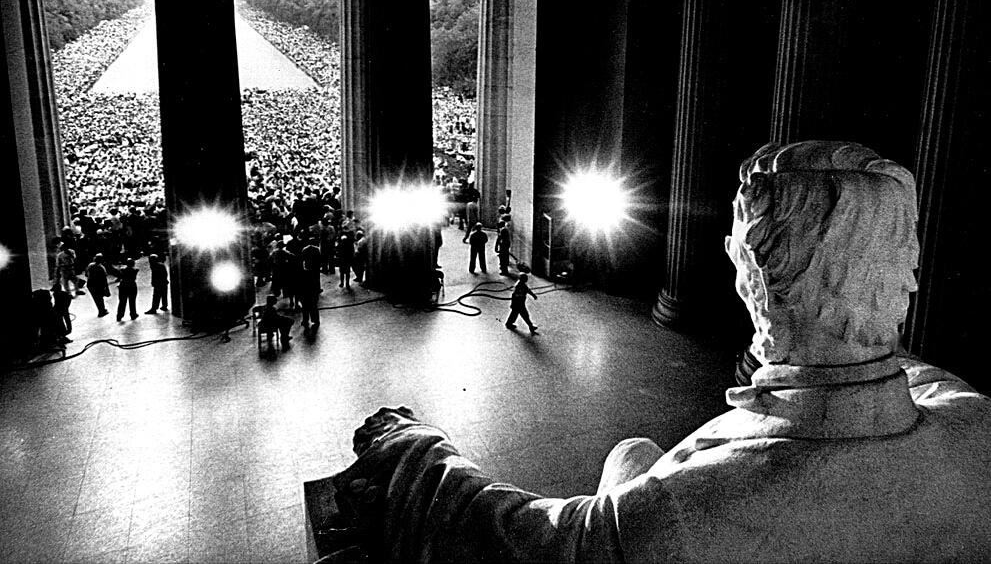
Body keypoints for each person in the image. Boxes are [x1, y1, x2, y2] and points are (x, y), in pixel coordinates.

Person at [323, 141, 991, 563]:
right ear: (903, 271)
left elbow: (507, 540)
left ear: (752, 270)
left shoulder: (690, 514)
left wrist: (415, 448)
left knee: (632, 456)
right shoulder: (975, 427)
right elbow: (910, 377)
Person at [299, 237, 322, 330]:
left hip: (305, 293)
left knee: (305, 308)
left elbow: (302, 259)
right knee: (313, 307)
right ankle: (315, 320)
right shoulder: (317, 249)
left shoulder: (305, 249)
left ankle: (305, 321)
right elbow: (320, 259)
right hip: (315, 269)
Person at [84, 253, 110, 317]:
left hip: (90, 284)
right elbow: (104, 280)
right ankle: (102, 311)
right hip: (98, 284)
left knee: (96, 298)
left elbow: (86, 274)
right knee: (100, 298)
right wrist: (107, 289)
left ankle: (101, 310)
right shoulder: (101, 268)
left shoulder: (90, 265)